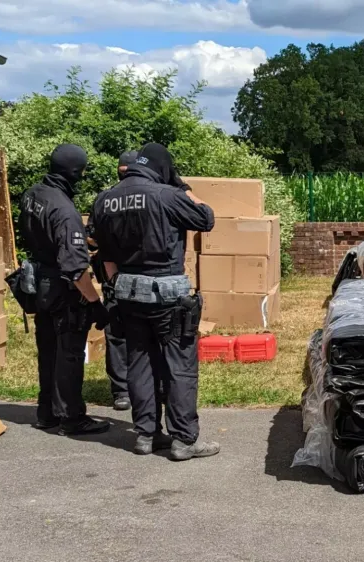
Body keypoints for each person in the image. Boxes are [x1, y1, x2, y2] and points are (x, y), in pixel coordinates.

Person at [90, 143, 218, 460]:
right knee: (179, 366)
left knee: (140, 362)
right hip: (168, 294)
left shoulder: (105, 199)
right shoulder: (167, 194)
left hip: (127, 293)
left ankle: (146, 435)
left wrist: (115, 284)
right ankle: (184, 440)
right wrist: (183, 187)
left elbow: (101, 247)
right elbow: (206, 218)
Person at [18, 144, 110, 436]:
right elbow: (74, 270)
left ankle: (47, 413)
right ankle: (71, 417)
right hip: (62, 289)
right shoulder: (65, 209)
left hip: (39, 284)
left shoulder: (33, 194)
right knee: (69, 354)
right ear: (75, 172)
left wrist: (79, 238)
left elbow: (40, 234)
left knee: (48, 351)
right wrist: (95, 302)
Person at [88, 151, 138, 411]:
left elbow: (91, 237)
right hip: (139, 275)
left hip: (112, 276)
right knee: (135, 333)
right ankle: (135, 388)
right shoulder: (150, 196)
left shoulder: (105, 198)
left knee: (118, 334)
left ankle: (122, 391)